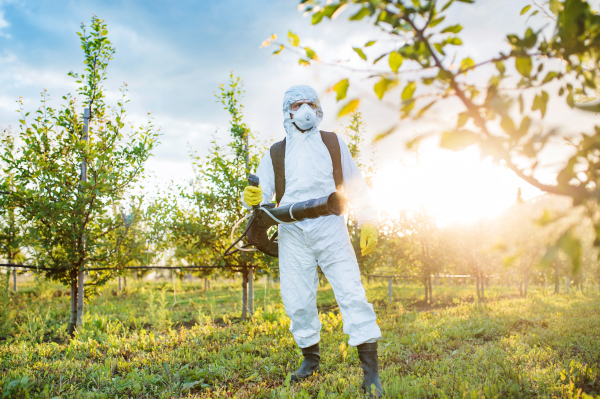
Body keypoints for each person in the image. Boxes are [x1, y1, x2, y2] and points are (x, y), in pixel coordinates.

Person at [242, 85, 383, 397]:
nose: (304, 109)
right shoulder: (275, 152)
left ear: (318, 109)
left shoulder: (332, 142)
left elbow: (356, 185)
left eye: (310, 103)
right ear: (287, 111)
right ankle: (310, 360)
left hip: (330, 225)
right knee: (297, 299)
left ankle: (370, 371)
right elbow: (260, 197)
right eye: (297, 104)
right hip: (290, 231)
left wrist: (368, 220)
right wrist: (251, 198)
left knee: (351, 292)